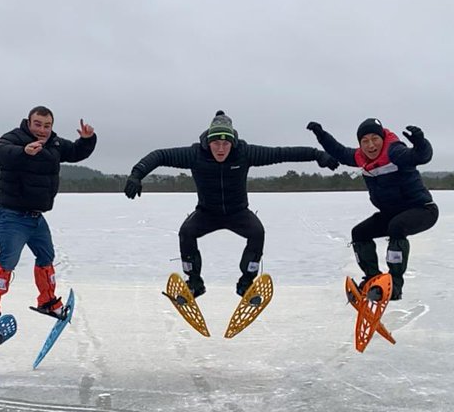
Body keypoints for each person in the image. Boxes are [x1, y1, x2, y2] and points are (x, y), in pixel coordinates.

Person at [124, 110, 338, 297]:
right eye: (215, 143)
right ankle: (194, 283)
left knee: (257, 232)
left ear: (232, 143)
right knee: (186, 232)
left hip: (238, 213)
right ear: (208, 142)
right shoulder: (194, 155)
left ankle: (246, 283)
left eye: (226, 143)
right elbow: (160, 155)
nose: (220, 148)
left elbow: (282, 153)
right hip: (207, 212)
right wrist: (137, 174)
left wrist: (317, 155)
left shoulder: (243, 153)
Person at [0, 106, 96, 327]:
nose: (42, 130)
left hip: (36, 217)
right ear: (29, 122)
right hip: (11, 214)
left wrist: (87, 140)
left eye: (47, 125)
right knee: (8, 261)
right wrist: (24, 151)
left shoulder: (55, 143)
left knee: (46, 257)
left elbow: (75, 153)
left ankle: (47, 302)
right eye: (38, 124)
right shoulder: (15, 138)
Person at [306, 117, 439, 300]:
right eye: (365, 141)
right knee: (360, 233)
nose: (371, 145)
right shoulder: (361, 158)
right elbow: (340, 151)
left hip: (423, 210)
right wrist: (321, 135)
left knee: (396, 227)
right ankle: (373, 279)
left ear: (383, 138)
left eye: (374, 139)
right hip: (391, 214)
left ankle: (394, 284)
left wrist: (420, 143)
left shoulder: (395, 152)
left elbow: (421, 156)